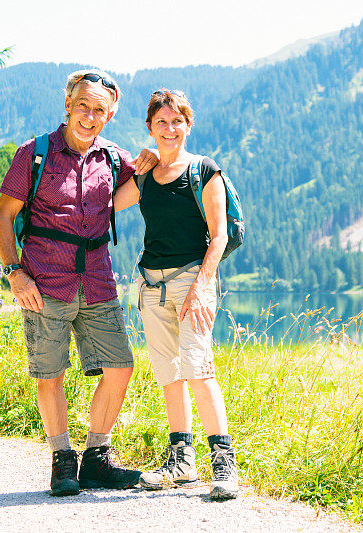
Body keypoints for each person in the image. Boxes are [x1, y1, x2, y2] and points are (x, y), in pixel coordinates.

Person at [0, 69, 159, 497]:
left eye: (99, 110)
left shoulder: (112, 158)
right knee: (49, 373)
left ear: (110, 116)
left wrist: (150, 162)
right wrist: (14, 272)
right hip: (44, 281)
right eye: (82, 105)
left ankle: (96, 460)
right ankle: (61, 460)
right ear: (68, 105)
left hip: (99, 280)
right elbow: (4, 216)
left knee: (120, 367)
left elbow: (141, 183)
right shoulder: (34, 153)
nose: (89, 115)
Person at [113, 89, 239, 500]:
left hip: (191, 280)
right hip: (150, 283)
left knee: (198, 368)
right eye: (161, 122)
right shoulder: (146, 174)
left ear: (188, 125)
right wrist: (135, 165)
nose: (170, 129)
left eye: (177, 121)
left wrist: (202, 288)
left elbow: (218, 237)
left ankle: (224, 462)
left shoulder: (204, 171)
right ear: (149, 127)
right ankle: (181, 461)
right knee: (169, 372)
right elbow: (111, 205)